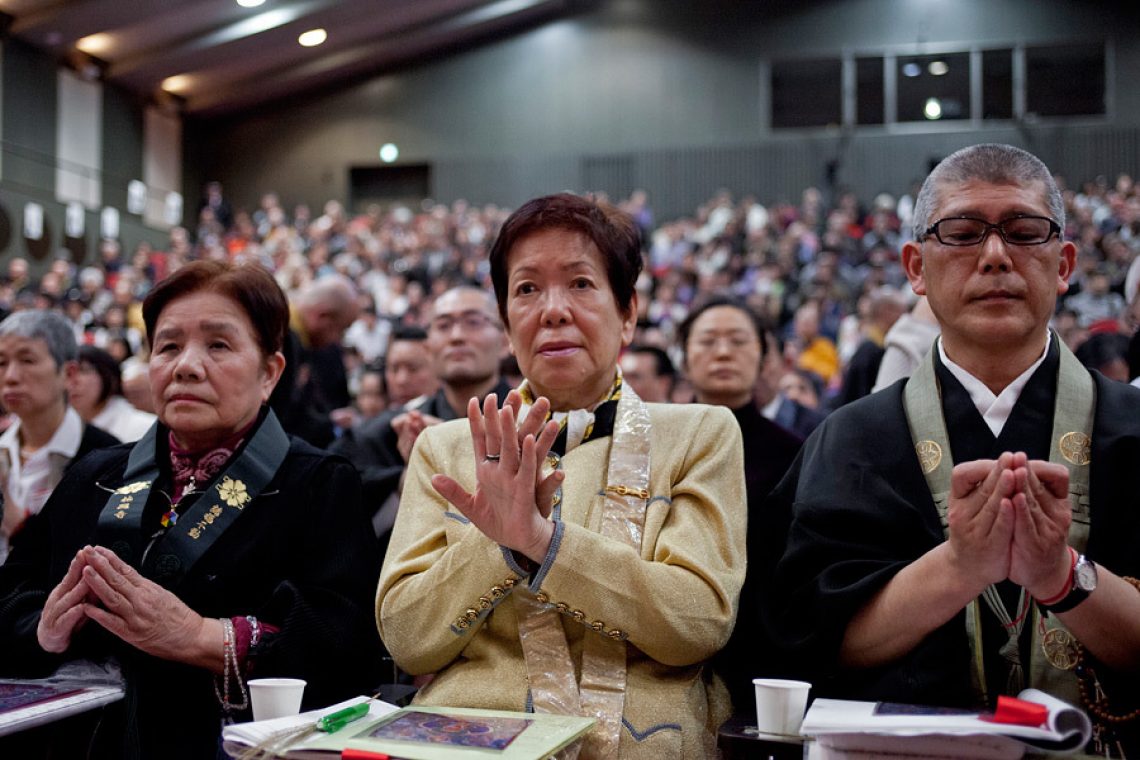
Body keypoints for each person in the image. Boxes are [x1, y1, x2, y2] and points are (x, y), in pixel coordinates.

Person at [769, 144, 1140, 757]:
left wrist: (1058, 575)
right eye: (963, 234)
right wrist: (961, 566)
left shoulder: (1132, 430)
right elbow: (814, 639)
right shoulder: (851, 441)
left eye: (1024, 233)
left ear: (1065, 262)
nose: (995, 257)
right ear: (916, 267)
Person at [377, 194, 746, 758]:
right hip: (472, 741)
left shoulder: (700, 434)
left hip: (646, 743)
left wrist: (544, 543)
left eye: (580, 283)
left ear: (628, 313)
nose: (552, 310)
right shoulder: (446, 448)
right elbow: (407, 640)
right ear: (506, 325)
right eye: (526, 289)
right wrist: (498, 546)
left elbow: (697, 621)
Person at [0, 261, 382, 758]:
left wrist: (202, 637)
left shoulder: (318, 482)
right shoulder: (95, 475)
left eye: (218, 345)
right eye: (168, 346)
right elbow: (11, 595)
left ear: (269, 372)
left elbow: (347, 645)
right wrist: (44, 627)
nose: (186, 366)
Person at [678, 296, 803, 717]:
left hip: (763, 650)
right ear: (685, 358)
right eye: (708, 340)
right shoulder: (657, 445)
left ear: (765, 357)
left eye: (738, 340)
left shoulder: (795, 452)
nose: (723, 352)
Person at [333, 286, 512, 548]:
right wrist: (409, 476)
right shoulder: (393, 429)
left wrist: (456, 448)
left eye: (473, 322)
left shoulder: (537, 422)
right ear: (429, 348)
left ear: (506, 340)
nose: (457, 336)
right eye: (443, 325)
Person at [0, 311, 119, 565]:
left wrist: (14, 518)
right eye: (1, 363)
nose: (10, 376)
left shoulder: (109, 458)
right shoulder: (4, 446)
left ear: (69, 374)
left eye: (27, 360)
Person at [68, 345, 157, 443]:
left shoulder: (145, 428)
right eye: (67, 373)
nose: (73, 382)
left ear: (109, 376)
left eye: (83, 370)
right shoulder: (65, 432)